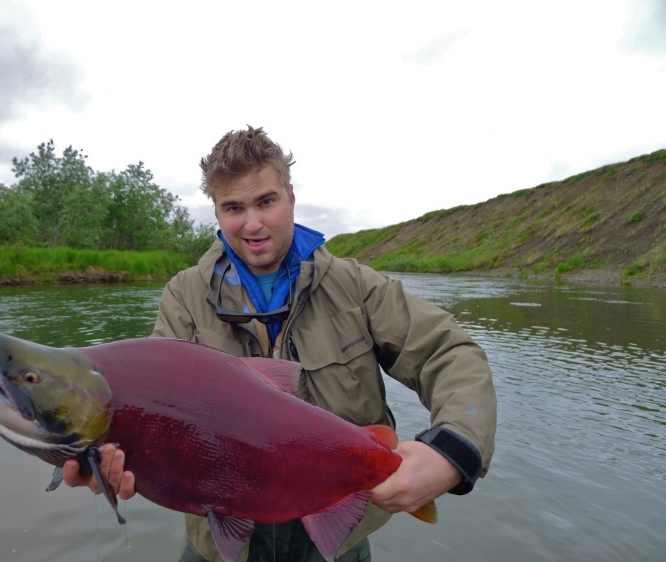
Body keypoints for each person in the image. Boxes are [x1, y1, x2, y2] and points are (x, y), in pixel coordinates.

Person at [64, 126, 497, 562]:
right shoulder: (184, 297)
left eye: (266, 201)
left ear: (290, 196)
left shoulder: (356, 287)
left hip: (335, 535)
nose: (252, 224)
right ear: (216, 213)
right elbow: (143, 408)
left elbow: (450, 354)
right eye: (233, 207)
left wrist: (451, 449)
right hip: (220, 542)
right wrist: (94, 453)